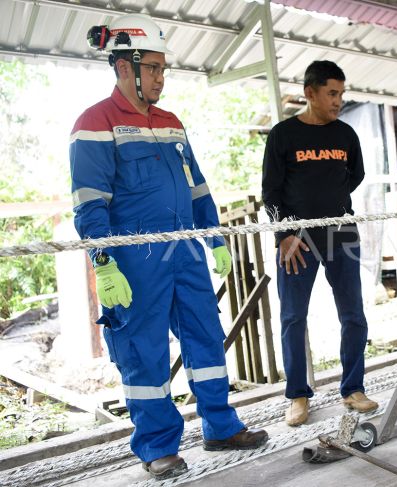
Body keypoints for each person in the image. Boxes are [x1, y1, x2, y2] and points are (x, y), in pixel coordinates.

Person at [70, 13, 267, 480]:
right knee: (145, 352)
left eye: (163, 69)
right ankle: (158, 447)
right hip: (136, 261)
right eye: (154, 68)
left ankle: (220, 427)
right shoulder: (94, 124)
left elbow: (197, 188)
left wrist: (214, 239)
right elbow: (89, 205)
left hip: (186, 254)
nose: (162, 78)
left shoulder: (171, 122)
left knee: (206, 339)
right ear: (125, 67)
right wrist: (104, 263)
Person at [262, 60, 378, 426]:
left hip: (342, 235)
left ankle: (353, 388)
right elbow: (271, 192)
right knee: (293, 317)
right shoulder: (283, 135)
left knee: (354, 315)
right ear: (310, 93)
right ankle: (298, 395)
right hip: (297, 241)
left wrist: (331, 203)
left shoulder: (346, 135)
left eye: (342, 93)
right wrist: (284, 235)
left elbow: (354, 176)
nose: (338, 100)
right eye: (332, 93)